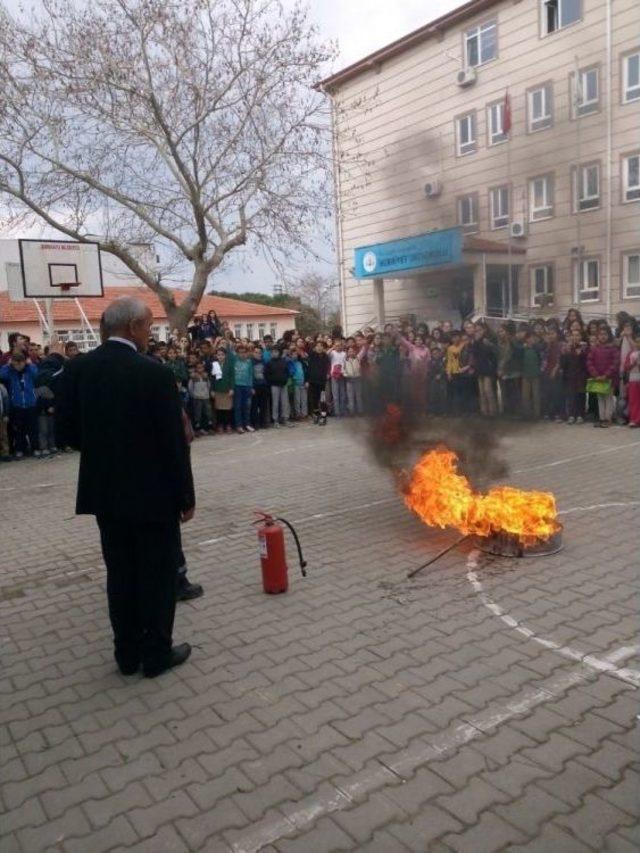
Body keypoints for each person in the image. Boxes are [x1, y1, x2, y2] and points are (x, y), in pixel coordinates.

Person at [56, 296, 195, 678]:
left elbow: (65, 432)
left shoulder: (79, 369)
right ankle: (156, 654)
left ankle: (126, 654)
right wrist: (186, 496)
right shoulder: (154, 373)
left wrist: (105, 451)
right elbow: (173, 443)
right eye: (149, 327)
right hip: (154, 495)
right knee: (158, 574)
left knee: (120, 574)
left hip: (106, 493)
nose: (151, 335)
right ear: (133, 327)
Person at [0, 350, 39, 458]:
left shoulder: (29, 370)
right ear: (13, 362)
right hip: (17, 406)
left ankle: (35, 448)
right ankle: (19, 449)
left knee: (33, 429)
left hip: (31, 404)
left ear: (24, 361)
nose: (18, 366)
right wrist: (8, 365)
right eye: (16, 364)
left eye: (20, 363)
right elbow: (2, 375)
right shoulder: (10, 372)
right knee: (18, 429)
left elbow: (36, 374)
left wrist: (30, 364)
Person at [586, 325, 619, 428]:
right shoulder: (594, 349)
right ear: (597, 336)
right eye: (600, 334)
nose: (603, 336)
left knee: (608, 399)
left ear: (609, 335)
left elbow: (615, 363)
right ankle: (601, 418)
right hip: (597, 379)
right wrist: (595, 374)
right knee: (600, 398)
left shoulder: (613, 348)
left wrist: (606, 375)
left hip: (609, 379)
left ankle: (608, 418)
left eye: (605, 334)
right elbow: (589, 362)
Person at [265, 346, 290, 427]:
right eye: (273, 352)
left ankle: (285, 419)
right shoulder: (269, 363)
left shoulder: (283, 361)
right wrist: (271, 382)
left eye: (276, 351)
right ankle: (275, 420)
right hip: (274, 385)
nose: (274, 353)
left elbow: (287, 371)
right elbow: (267, 375)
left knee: (285, 402)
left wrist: (285, 380)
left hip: (283, 384)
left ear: (279, 352)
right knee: (275, 403)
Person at [233, 344, 255, 433]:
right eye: (240, 353)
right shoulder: (234, 361)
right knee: (238, 406)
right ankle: (239, 425)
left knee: (246, 406)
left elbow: (250, 375)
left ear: (247, 353)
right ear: (237, 353)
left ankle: (247, 424)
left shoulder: (249, 362)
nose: (242, 354)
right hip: (237, 386)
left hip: (246, 386)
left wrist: (251, 387)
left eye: (244, 352)